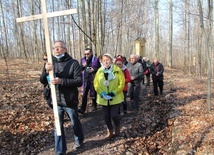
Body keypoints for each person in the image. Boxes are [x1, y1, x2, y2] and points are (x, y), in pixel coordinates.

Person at [40, 40, 84, 155]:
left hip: (70, 100)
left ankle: (79, 140)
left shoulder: (73, 63)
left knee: (75, 122)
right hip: (56, 100)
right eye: (55, 47)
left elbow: (79, 81)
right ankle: (60, 151)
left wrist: (61, 81)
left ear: (65, 49)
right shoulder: (50, 62)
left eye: (59, 47)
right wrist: (45, 71)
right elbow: (42, 80)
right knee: (58, 127)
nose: (57, 49)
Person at [93, 53, 125, 140]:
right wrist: (101, 93)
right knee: (106, 116)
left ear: (111, 60)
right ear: (101, 61)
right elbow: (96, 84)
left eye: (107, 60)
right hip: (103, 98)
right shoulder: (99, 71)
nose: (106, 62)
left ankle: (117, 126)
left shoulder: (117, 70)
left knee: (114, 115)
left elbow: (121, 83)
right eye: (104, 60)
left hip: (115, 97)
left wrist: (114, 93)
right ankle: (110, 131)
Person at [78, 48, 100, 114]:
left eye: (88, 54)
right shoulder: (83, 60)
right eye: (85, 54)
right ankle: (82, 109)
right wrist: (83, 65)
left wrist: (94, 70)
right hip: (85, 79)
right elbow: (79, 69)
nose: (86, 55)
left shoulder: (96, 59)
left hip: (93, 78)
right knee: (84, 94)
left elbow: (99, 68)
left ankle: (94, 105)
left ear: (91, 53)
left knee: (93, 94)